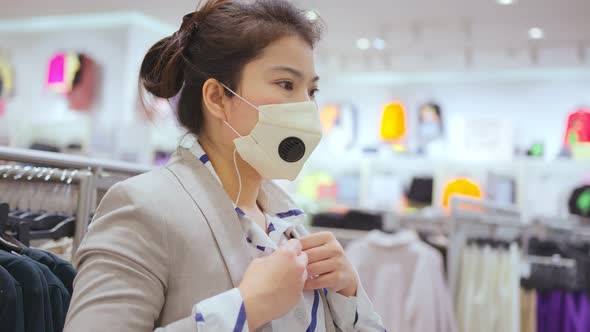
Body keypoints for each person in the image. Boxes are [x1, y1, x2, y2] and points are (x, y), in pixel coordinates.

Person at [63, 0, 385, 331]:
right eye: (286, 84)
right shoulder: (141, 207)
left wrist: (350, 295)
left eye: (311, 90)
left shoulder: (290, 227)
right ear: (217, 97)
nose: (306, 106)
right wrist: (244, 309)